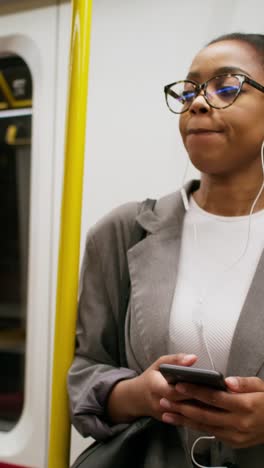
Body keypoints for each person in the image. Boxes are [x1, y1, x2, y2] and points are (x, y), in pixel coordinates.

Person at [68, 33, 264, 468]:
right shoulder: (124, 232)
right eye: (190, 89)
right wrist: (136, 396)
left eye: (227, 87)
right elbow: (85, 371)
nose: (198, 103)